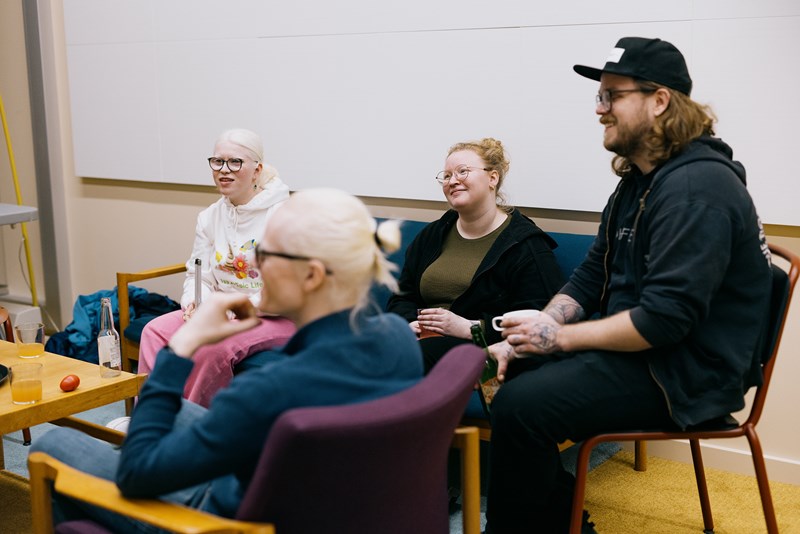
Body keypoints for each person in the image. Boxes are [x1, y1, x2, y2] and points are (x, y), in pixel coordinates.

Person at [483, 37, 773, 533]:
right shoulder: (640, 181)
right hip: (648, 353)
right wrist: (544, 325)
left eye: (612, 95)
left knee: (522, 406)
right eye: (599, 96)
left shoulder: (696, 189)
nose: (600, 110)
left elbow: (664, 320)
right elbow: (594, 269)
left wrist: (557, 340)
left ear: (659, 101)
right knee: (513, 372)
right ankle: (561, 522)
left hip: (686, 372)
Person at [31, 188, 423, 533]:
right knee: (180, 409)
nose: (250, 265)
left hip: (223, 518)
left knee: (52, 445)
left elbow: (136, 474)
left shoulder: (269, 389)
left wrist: (182, 347)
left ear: (312, 276)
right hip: (315, 493)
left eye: (265, 254)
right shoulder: (395, 337)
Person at [137, 128, 296, 407]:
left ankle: (193, 430)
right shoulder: (210, 216)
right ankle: (149, 417)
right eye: (217, 162)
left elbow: (284, 289)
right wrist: (196, 304)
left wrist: (226, 312)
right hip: (220, 311)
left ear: (256, 170)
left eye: (236, 162)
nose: (225, 170)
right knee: (155, 330)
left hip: (275, 315)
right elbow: (198, 274)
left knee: (211, 346)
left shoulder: (282, 215)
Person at [387, 138, 564, 373]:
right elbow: (401, 297)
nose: (453, 181)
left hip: (483, 349)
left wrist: (470, 327)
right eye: (447, 175)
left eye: (463, 172)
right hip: (422, 341)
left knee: (406, 357)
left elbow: (540, 319)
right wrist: (411, 323)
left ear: (493, 178)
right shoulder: (433, 235)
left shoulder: (525, 244)